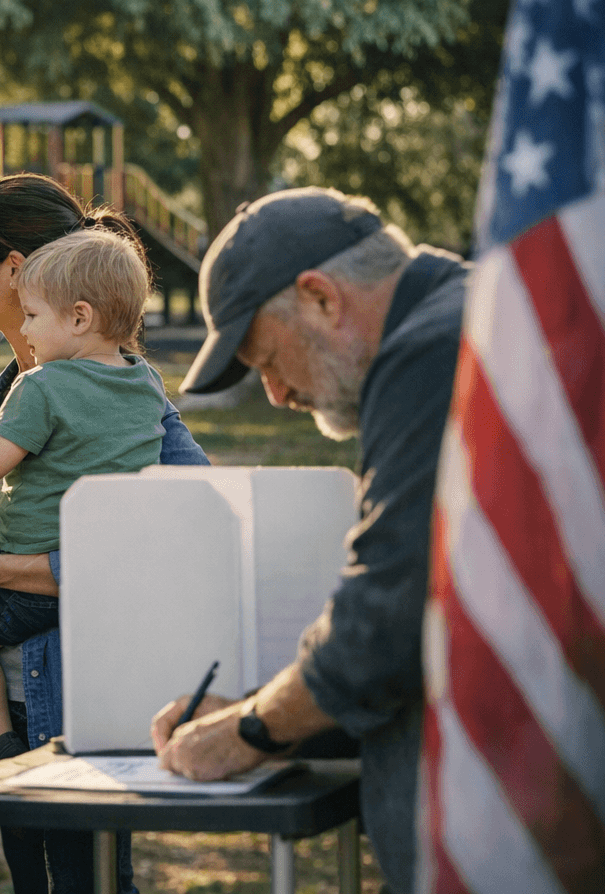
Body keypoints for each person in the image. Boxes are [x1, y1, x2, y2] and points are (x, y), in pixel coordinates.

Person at [0, 173, 211, 894]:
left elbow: (177, 530)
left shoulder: (127, 397)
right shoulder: (3, 392)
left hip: (72, 692)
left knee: (90, 878)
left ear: (15, 269)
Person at [148, 187, 466, 894]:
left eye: (267, 359)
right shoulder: (458, 319)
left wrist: (248, 732)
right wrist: (257, 709)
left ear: (321, 297)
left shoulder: (431, 351)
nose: (277, 396)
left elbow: (384, 620)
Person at [0, 229, 167, 765]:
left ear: (80, 318)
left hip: (31, 580)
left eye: (33, 316)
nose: (26, 329)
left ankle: (0, 746)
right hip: (104, 578)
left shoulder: (41, 386)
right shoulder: (145, 381)